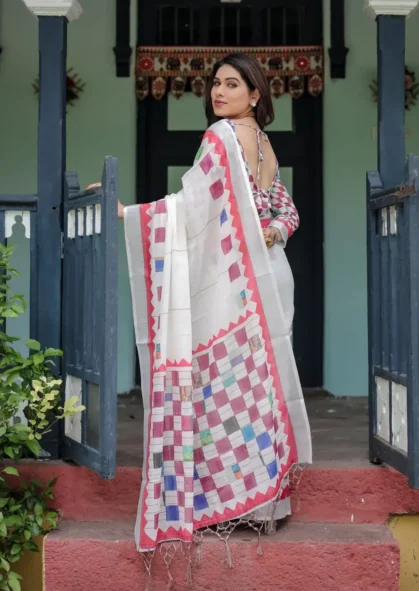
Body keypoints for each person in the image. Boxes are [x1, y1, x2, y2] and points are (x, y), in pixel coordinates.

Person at [87, 52, 311, 561]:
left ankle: (236, 499)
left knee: (227, 384)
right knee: (259, 387)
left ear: (256, 94)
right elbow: (286, 210)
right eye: (215, 83)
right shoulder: (265, 144)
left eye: (232, 84)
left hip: (237, 284)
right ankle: (266, 503)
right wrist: (271, 233)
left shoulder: (221, 138)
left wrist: (129, 214)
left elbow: (188, 207)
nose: (219, 92)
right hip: (273, 275)